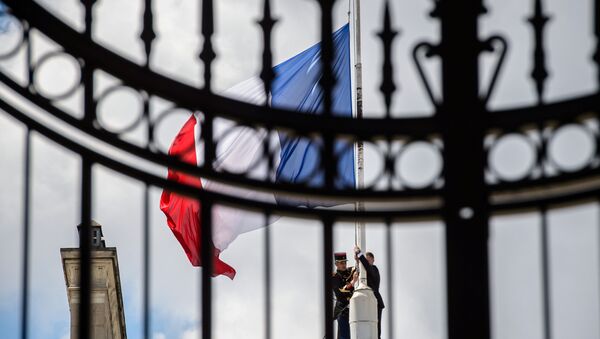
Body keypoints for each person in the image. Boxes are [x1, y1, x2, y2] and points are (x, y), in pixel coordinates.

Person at [354, 246, 385, 339]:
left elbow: (367, 267)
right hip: (367, 300)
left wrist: (359, 254)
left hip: (375, 301)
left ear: (373, 260)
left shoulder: (374, 269)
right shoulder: (365, 271)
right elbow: (359, 271)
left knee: (375, 326)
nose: (366, 262)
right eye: (365, 260)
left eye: (368, 260)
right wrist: (357, 261)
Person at [332, 252, 358, 339]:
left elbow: (358, 268)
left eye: (345, 262)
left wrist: (357, 260)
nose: (344, 265)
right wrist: (353, 282)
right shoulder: (334, 277)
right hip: (342, 310)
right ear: (336, 264)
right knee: (344, 336)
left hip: (353, 309)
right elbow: (341, 291)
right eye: (341, 263)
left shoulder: (349, 271)